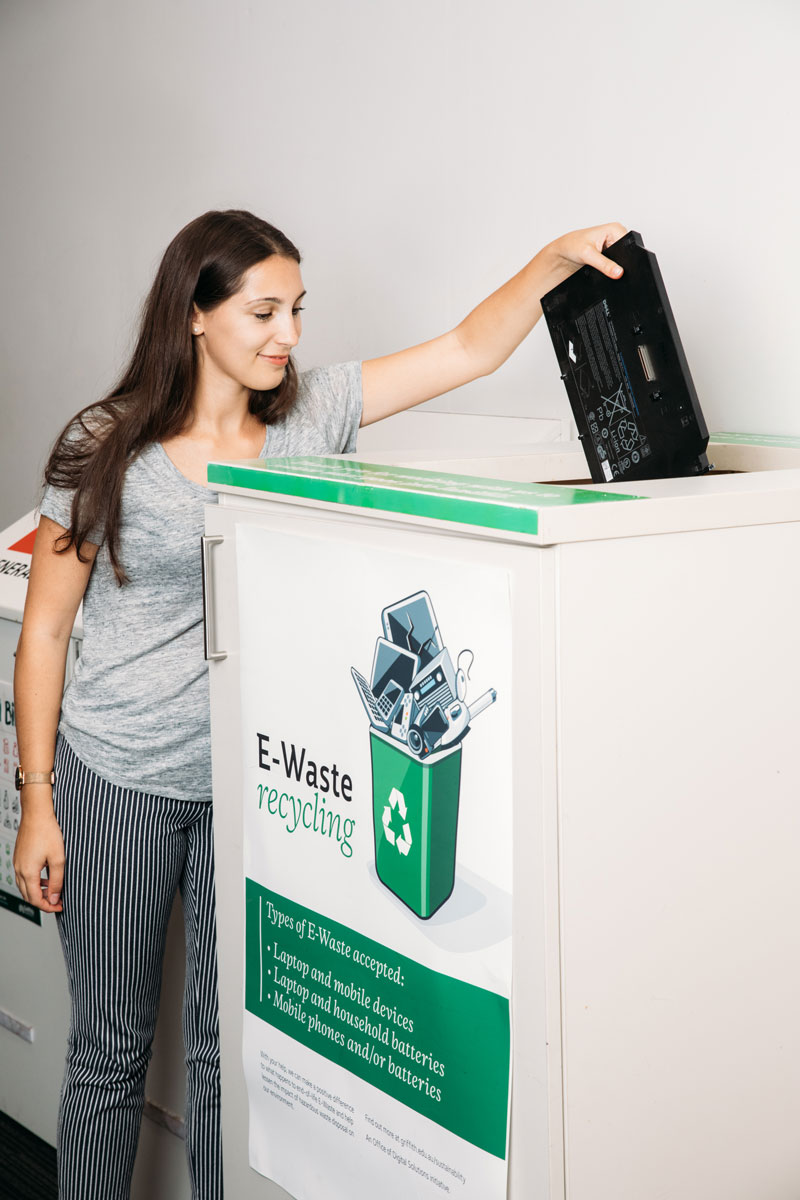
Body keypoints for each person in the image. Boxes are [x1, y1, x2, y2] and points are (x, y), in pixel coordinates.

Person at [12, 208, 625, 1199]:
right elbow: (43, 634)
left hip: (248, 780)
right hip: (118, 772)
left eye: (297, 309)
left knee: (226, 1055)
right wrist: (37, 799)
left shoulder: (310, 415)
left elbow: (466, 347)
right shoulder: (103, 444)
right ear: (196, 314)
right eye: (263, 311)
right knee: (111, 1053)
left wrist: (547, 265)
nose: (288, 335)